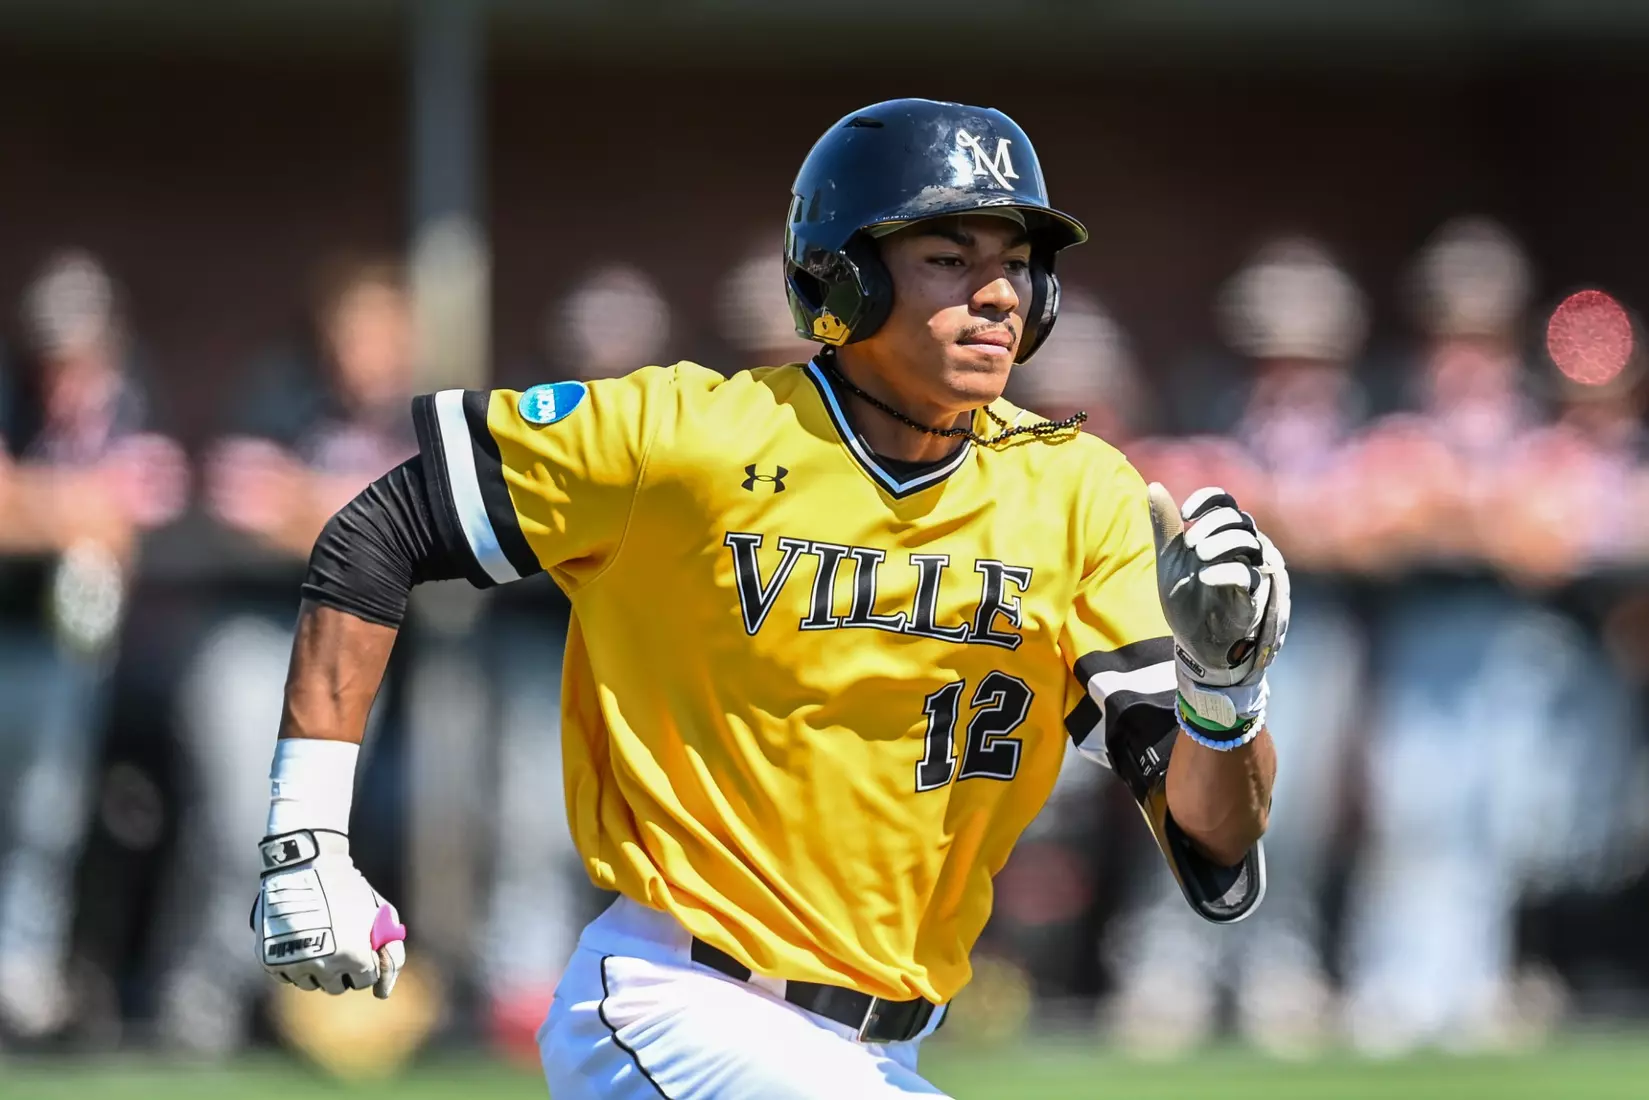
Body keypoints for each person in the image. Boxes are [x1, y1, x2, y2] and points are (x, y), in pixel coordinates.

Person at [248, 99, 1290, 1098]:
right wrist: (307, 839)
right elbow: (380, 528)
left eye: (1018, 262)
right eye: (949, 257)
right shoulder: (689, 437)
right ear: (845, 278)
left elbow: (1212, 836)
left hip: (880, 1051)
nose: (1000, 293)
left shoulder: (1079, 494)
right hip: (679, 999)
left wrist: (1222, 692)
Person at [155, 257, 418, 1055]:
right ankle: (197, 998)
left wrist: (317, 507)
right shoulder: (275, 397)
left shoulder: (414, 415)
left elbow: (429, 532)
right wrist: (367, 519)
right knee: (239, 824)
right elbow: (246, 508)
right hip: (253, 634)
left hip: (354, 651)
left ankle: (282, 1009)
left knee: (319, 839)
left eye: (384, 335)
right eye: (355, 333)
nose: (369, 351)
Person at [0, 250, 187, 1040]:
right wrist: (72, 505)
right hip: (13, 634)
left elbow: (136, 515)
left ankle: (22, 969)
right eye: (51, 354)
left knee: (50, 812)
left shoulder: (134, 398)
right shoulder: (13, 398)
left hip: (79, 655)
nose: (62, 372)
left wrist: (41, 506)